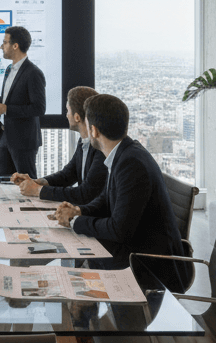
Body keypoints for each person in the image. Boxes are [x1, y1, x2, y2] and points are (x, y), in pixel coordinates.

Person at [53, 94, 192, 294]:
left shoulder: (130, 163)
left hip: (149, 268)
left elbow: (119, 229)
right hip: (137, 250)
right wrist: (80, 211)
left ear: (93, 130)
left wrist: (75, 221)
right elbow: (107, 198)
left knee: (71, 280)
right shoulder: (125, 152)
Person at [11, 86, 106, 203]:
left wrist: (38, 191)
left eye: (67, 111)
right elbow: (68, 175)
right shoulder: (84, 141)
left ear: (76, 117)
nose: (66, 115)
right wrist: (38, 182)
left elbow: (85, 193)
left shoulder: (102, 147)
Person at [0, 25, 46, 179]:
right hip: (5, 136)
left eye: (5, 42)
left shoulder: (33, 73)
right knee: (3, 181)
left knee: (25, 185)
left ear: (15, 46)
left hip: (23, 141)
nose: (1, 46)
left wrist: (6, 109)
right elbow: (6, 101)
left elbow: (39, 108)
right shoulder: (9, 69)